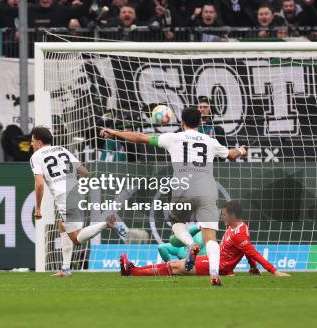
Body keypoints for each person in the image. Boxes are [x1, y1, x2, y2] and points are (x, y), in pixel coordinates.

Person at [100, 107, 248, 286]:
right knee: (210, 239)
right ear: (200, 123)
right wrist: (240, 150)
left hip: (183, 189)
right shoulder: (210, 141)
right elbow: (231, 155)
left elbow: (140, 137)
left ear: (181, 123)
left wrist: (114, 132)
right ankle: (214, 274)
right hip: (207, 189)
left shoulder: (173, 138)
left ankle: (189, 244)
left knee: (177, 223)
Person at [120, 200, 291, 278]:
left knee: (175, 267)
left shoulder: (238, 234)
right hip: (213, 261)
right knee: (177, 264)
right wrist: (252, 268)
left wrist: (273, 271)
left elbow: (252, 252)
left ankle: (132, 271)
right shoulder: (238, 227)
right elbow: (246, 252)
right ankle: (133, 269)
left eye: (224, 214)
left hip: (216, 265)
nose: (222, 217)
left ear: (232, 215)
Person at [30, 126, 116, 277]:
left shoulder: (36, 156)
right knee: (61, 225)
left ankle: (105, 224)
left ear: (38, 142)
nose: (31, 144)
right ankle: (65, 269)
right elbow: (85, 172)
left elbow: (39, 184)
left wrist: (38, 208)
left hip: (63, 196)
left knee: (76, 238)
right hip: (75, 190)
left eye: (32, 141)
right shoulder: (62, 150)